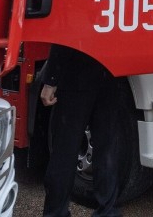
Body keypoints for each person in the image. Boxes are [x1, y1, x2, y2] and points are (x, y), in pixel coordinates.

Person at [41, 45, 122, 217]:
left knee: (64, 151)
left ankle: (56, 213)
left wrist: (51, 79)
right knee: (107, 150)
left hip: (75, 76)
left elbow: (65, 36)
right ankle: (108, 212)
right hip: (110, 74)